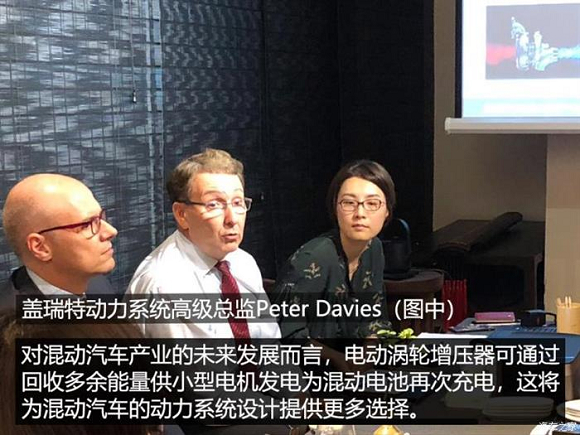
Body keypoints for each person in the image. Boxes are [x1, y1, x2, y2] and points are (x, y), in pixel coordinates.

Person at [127, 148, 280, 340]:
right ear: (181, 214)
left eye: (237, 203)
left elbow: (271, 344)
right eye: (214, 205)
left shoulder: (243, 261)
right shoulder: (164, 285)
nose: (232, 219)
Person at [272, 159, 395, 341]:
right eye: (349, 203)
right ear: (335, 208)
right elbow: (288, 337)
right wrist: (344, 358)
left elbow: (374, 318)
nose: (360, 213)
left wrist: (369, 350)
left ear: (387, 211)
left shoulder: (374, 248)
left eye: (372, 203)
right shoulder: (313, 259)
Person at [1, 173, 118, 307]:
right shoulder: (12, 316)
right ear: (40, 247)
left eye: (100, 218)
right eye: (86, 225)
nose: (111, 231)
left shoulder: (93, 282)